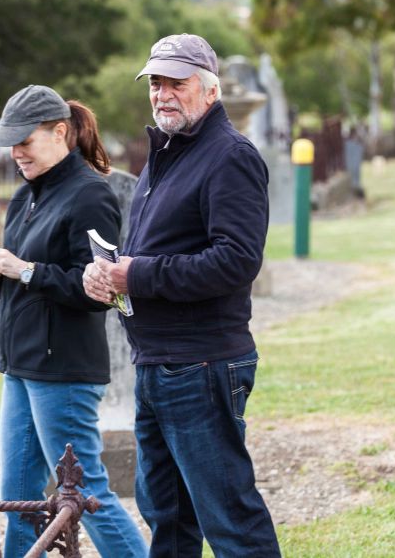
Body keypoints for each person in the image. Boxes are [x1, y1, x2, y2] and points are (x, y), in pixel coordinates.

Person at [82, 34, 281, 557]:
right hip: (157, 362)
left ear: (209, 90)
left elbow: (236, 262)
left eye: (177, 81)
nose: (163, 93)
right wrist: (107, 275)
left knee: (230, 519)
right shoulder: (167, 155)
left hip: (201, 363)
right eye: (156, 82)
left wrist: (138, 276)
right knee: (166, 518)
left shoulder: (229, 157)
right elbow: (147, 251)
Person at [0, 84, 148, 558]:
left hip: (63, 370)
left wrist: (23, 268)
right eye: (11, 142)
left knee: (85, 497)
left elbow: (96, 293)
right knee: (19, 501)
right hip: (21, 366)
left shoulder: (90, 196)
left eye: (25, 140)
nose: (16, 152)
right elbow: (20, 289)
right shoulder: (24, 197)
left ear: (60, 132)